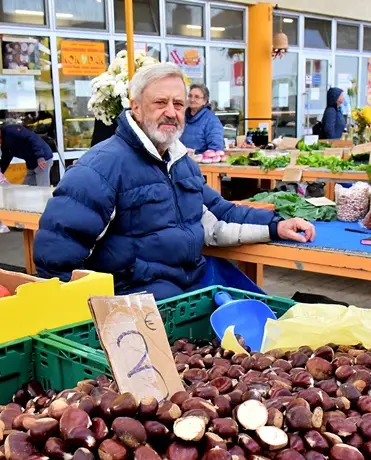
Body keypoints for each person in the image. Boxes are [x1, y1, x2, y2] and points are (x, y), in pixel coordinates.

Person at [33, 63, 316, 299]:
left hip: (190, 285)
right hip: (140, 297)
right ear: (136, 107)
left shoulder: (181, 163)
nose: (171, 111)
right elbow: (54, 258)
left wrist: (276, 226)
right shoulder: (100, 167)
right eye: (160, 102)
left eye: (178, 104)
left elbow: (219, 216)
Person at [0, 122, 54, 187]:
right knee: (26, 188)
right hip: (31, 162)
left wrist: (40, 157)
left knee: (42, 187)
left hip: (43, 158)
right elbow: (5, 159)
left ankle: (46, 200)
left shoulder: (11, 130)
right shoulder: (5, 144)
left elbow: (32, 138)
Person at [181, 84, 225, 153]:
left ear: (205, 101)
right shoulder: (181, 117)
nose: (192, 100)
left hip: (200, 162)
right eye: (190, 96)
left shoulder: (212, 121)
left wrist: (195, 153)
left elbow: (216, 150)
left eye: (197, 97)